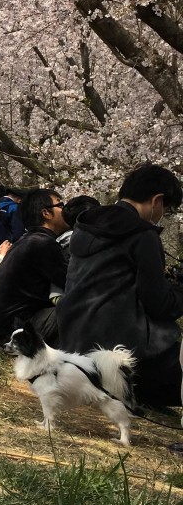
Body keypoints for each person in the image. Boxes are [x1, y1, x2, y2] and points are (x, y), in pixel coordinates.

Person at [57, 165, 183, 410]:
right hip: (122, 358)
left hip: (75, 348)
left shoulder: (83, 225)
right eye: (166, 209)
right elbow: (159, 305)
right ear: (157, 200)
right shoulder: (142, 235)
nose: (163, 214)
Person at [0, 188, 70, 345]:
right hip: (16, 330)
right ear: (46, 213)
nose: (66, 210)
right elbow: (73, 283)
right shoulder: (42, 244)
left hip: (4, 327)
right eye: (61, 205)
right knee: (84, 306)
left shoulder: (28, 241)